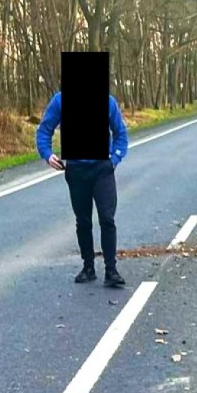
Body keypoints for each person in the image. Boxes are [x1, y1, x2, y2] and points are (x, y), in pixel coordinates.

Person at [35, 92, 129, 287]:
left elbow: (121, 133)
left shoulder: (108, 101)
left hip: (103, 169)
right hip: (76, 170)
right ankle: (88, 267)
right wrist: (47, 154)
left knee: (107, 218)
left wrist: (114, 160)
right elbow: (44, 129)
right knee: (83, 220)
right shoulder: (60, 100)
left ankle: (111, 270)